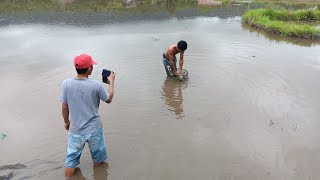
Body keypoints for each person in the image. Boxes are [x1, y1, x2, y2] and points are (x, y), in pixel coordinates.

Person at [60, 54, 115, 178]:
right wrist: (111, 82)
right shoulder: (96, 85)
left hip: (76, 130)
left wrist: (66, 122)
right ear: (89, 69)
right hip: (94, 129)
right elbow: (109, 99)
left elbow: (64, 107)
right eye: (92, 66)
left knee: (71, 162)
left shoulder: (66, 84)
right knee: (99, 160)